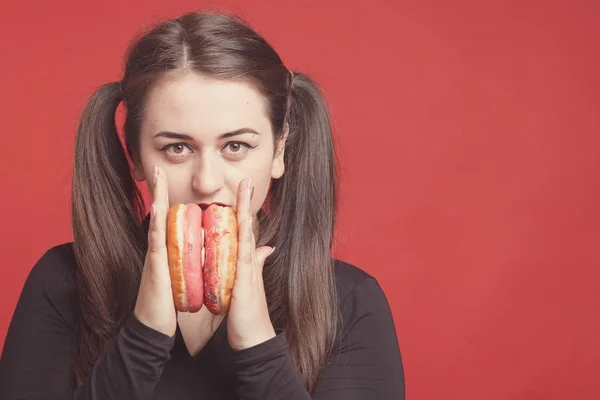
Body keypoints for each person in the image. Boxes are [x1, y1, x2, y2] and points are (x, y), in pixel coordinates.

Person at [0, 10, 405, 400]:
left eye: (236, 146)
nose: (207, 182)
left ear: (279, 150)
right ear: (137, 157)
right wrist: (144, 334)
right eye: (177, 147)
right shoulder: (63, 282)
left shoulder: (349, 302)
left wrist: (257, 347)